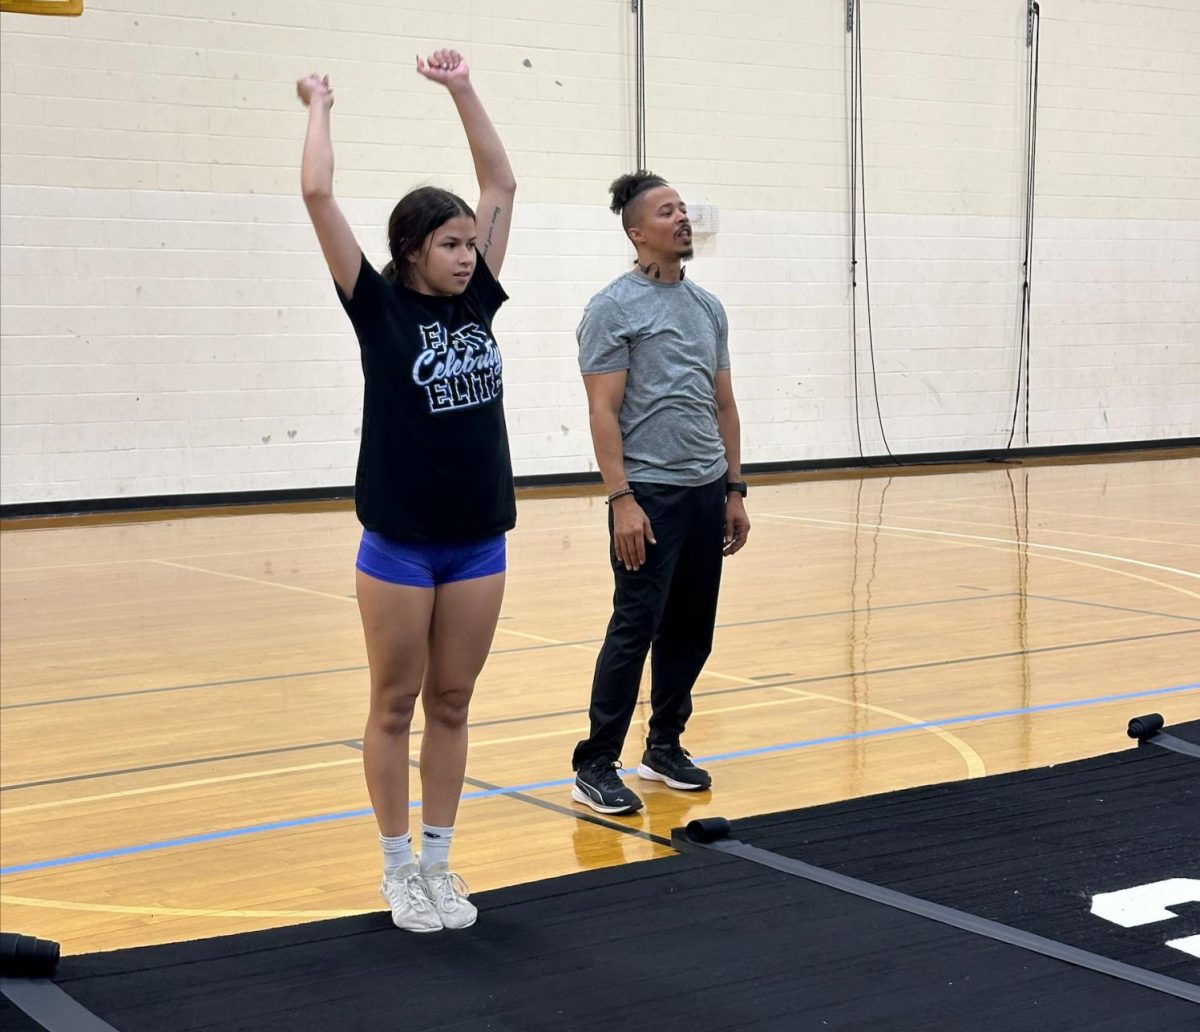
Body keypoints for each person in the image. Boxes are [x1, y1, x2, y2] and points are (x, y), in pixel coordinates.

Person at [296, 48, 516, 931]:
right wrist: (319, 103)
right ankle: (395, 868)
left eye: (472, 242)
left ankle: (439, 863)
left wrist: (463, 90)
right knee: (393, 704)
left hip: (478, 539)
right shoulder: (375, 306)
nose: (468, 256)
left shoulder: (480, 302)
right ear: (411, 252)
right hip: (398, 541)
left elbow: (499, 178)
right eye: (451, 245)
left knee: (453, 702)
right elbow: (318, 196)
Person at [571, 171, 750, 816]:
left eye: (683, 210)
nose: (681, 219)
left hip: (706, 491)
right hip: (647, 495)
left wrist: (734, 488)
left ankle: (664, 746)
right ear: (636, 231)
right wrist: (621, 498)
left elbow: (723, 403)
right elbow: (602, 410)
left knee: (692, 631)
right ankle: (595, 763)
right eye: (666, 212)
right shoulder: (612, 308)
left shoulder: (708, 309)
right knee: (634, 627)